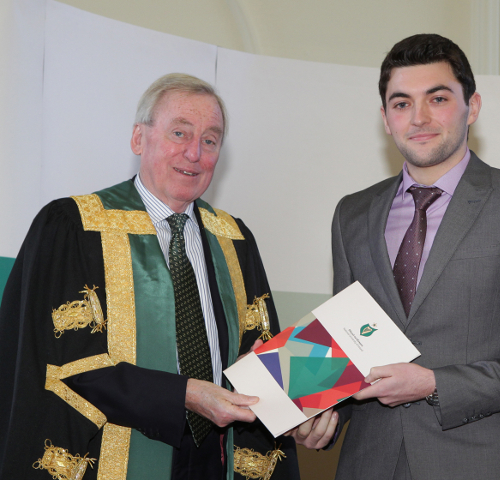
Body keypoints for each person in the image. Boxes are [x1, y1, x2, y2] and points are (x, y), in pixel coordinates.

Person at [294, 34, 500, 479]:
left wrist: (435, 384)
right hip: (369, 466)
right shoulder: (351, 214)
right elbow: (348, 350)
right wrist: (311, 411)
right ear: (385, 118)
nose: (419, 118)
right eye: (401, 103)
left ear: (472, 107)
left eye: (437, 98)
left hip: (482, 464)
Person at [0, 73, 299, 480]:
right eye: (180, 132)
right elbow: (64, 364)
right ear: (139, 138)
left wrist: (303, 398)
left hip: (216, 455)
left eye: (210, 141)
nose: (194, 153)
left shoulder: (235, 238)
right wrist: (185, 395)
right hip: (114, 455)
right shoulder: (75, 227)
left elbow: (259, 352)